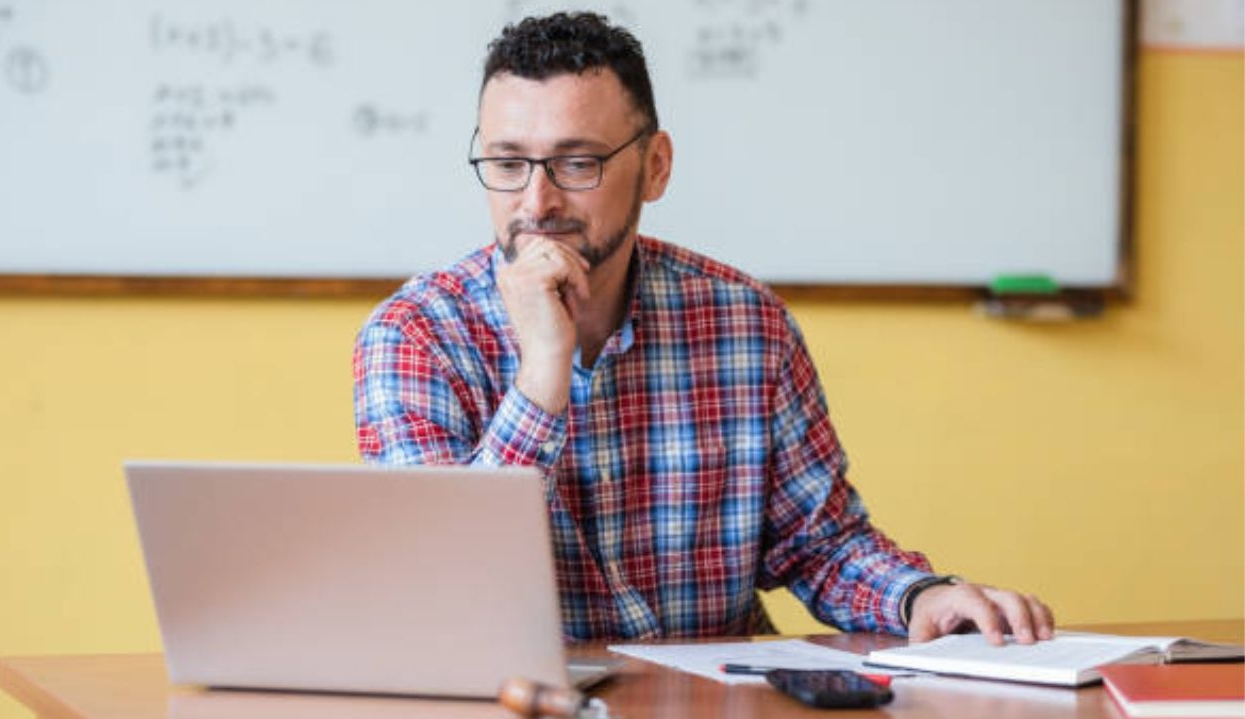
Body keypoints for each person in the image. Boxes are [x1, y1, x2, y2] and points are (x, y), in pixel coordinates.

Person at [353, 11, 1054, 645]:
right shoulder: (414, 337)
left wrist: (919, 596)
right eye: (507, 163)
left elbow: (819, 543)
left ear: (654, 167)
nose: (536, 201)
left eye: (576, 162)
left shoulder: (747, 322)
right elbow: (439, 589)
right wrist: (541, 377)